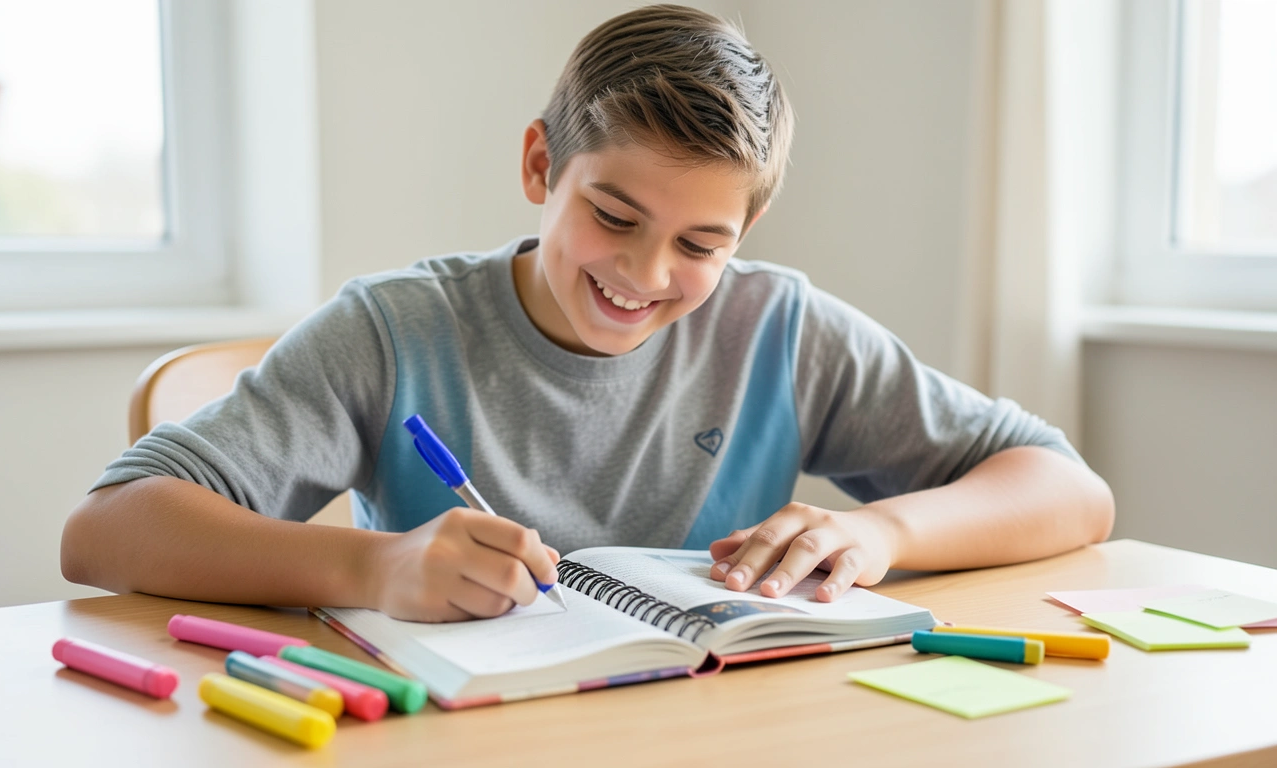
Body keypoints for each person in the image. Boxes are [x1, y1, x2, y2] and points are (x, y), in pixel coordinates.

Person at [60, 4, 1114, 623]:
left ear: (745, 233)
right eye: (613, 216)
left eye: (701, 245)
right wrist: (371, 566)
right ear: (540, 166)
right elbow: (106, 529)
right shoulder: (394, 331)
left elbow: (1067, 487)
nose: (646, 273)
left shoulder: (779, 331)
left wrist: (880, 529)